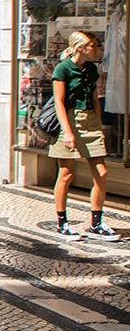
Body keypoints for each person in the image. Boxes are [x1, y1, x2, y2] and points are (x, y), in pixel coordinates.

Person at [50, 31, 120, 241]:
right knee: (66, 173)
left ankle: (96, 224)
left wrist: (98, 123)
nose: (96, 48)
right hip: (69, 120)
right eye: (92, 45)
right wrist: (68, 132)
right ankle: (62, 223)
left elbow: (94, 97)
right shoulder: (62, 69)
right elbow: (59, 102)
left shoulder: (91, 69)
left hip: (89, 121)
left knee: (102, 172)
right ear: (80, 47)